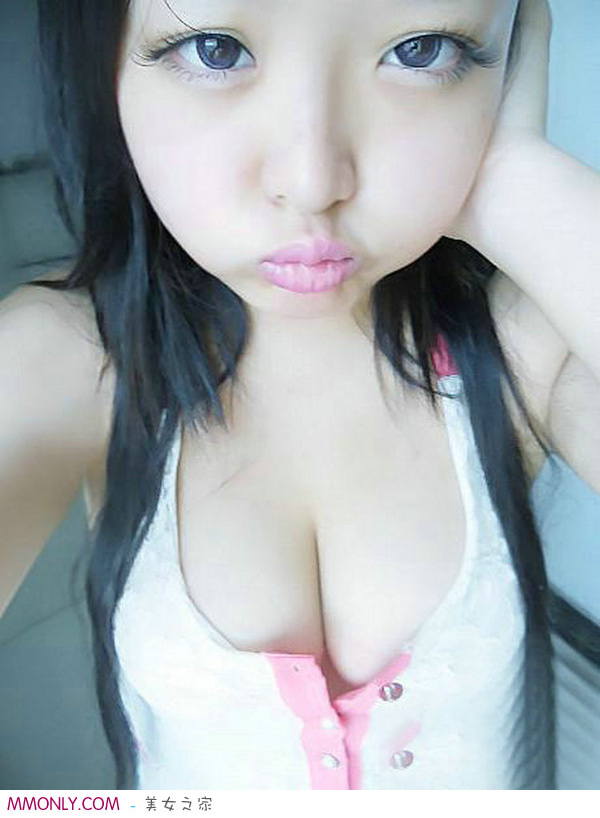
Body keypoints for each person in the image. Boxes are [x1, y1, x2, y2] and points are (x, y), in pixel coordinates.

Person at [1, 0, 599, 790]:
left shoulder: (529, 347)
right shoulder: (68, 361)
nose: (313, 182)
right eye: (214, 50)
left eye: (422, 50)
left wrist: (519, 184)